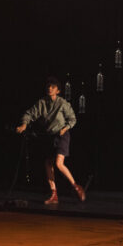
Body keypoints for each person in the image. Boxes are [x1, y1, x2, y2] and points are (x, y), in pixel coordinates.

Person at [16, 76, 85, 204]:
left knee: (59, 163)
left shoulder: (62, 103)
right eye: (48, 86)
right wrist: (24, 124)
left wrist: (66, 128)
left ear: (58, 90)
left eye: (53, 87)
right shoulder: (41, 103)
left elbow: (72, 119)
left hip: (62, 134)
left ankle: (76, 187)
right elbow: (29, 114)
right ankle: (54, 194)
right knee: (48, 163)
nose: (49, 88)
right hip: (50, 136)